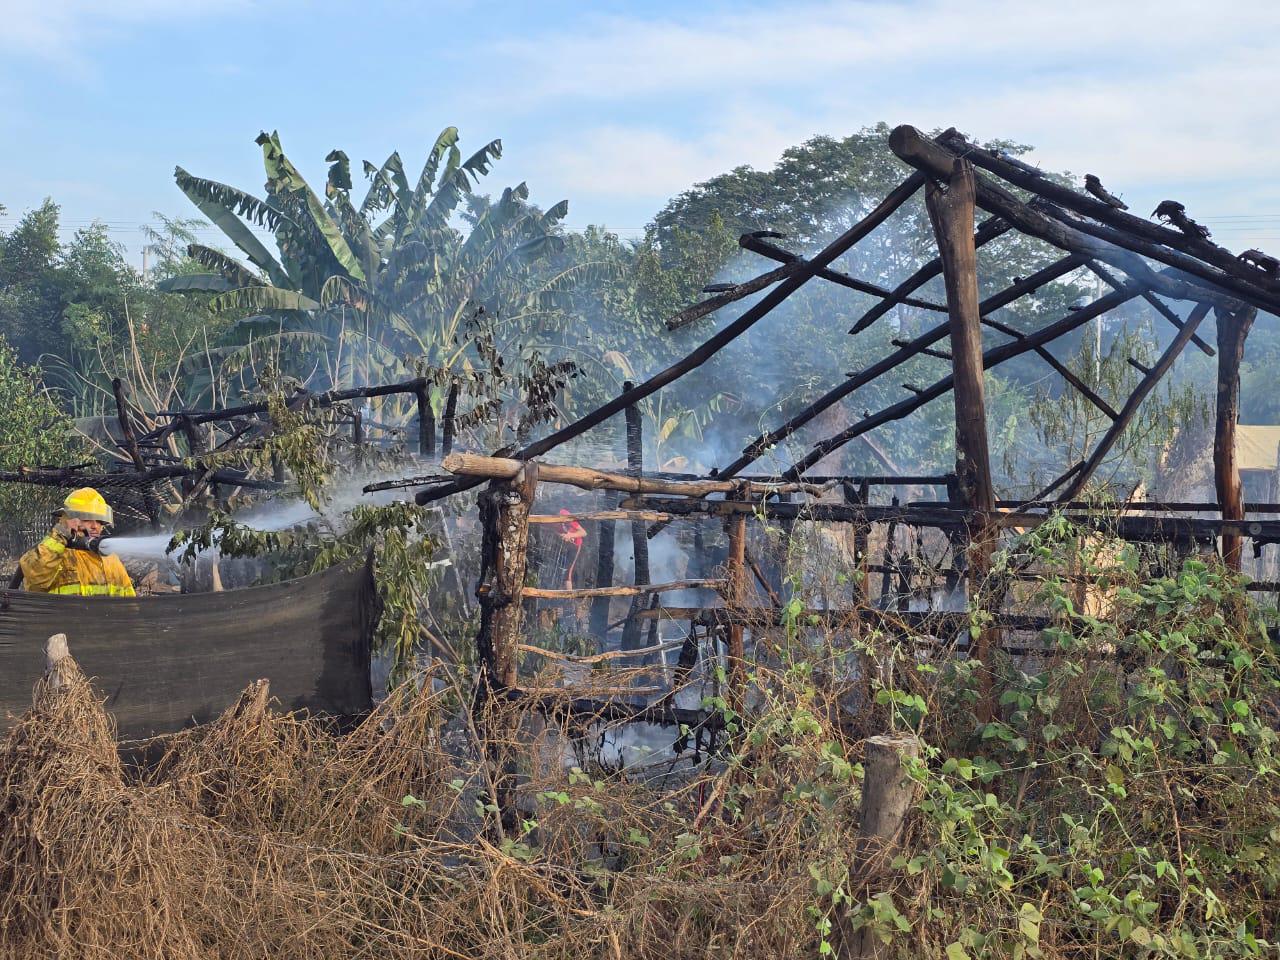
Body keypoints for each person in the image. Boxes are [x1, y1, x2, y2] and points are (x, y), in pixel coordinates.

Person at [19, 487, 136, 597]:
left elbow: (130, 604)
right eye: (87, 519)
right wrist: (60, 535)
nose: (95, 526)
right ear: (68, 520)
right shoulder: (53, 554)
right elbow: (36, 579)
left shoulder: (111, 559)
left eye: (100, 521)